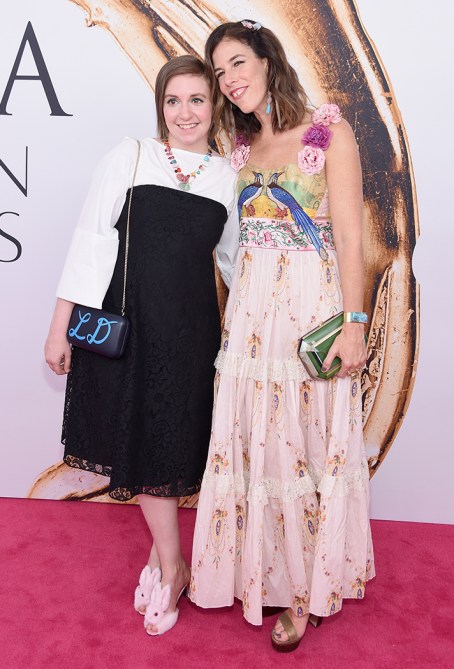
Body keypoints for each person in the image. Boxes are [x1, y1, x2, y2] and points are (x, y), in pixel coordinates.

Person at [189, 20, 375, 651]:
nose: (229, 79)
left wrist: (355, 325)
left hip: (310, 312)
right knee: (258, 445)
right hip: (251, 317)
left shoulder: (329, 132)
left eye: (238, 62)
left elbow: (349, 237)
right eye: (219, 72)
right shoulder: (238, 150)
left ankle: (304, 589)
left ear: (268, 60)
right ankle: (261, 571)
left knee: (306, 443)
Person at [44, 55, 239, 636]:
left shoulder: (228, 177)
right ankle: (174, 566)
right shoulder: (130, 156)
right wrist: (59, 325)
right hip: (130, 330)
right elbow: (90, 240)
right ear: (160, 107)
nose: (185, 112)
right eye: (173, 101)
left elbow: (236, 265)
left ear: (215, 106)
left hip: (191, 333)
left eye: (197, 100)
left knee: (171, 446)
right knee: (144, 445)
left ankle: (162, 559)